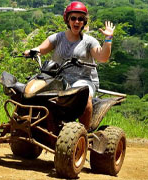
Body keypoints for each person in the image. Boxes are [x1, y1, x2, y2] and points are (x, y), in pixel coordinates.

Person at [24, 1, 115, 131]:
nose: (77, 22)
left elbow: (102, 57)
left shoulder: (89, 41)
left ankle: (83, 133)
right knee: (32, 91)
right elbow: (41, 49)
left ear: (84, 22)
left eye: (80, 19)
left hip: (83, 80)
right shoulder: (58, 37)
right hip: (58, 79)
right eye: (73, 18)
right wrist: (31, 51)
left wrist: (108, 39)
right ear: (67, 19)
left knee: (85, 99)